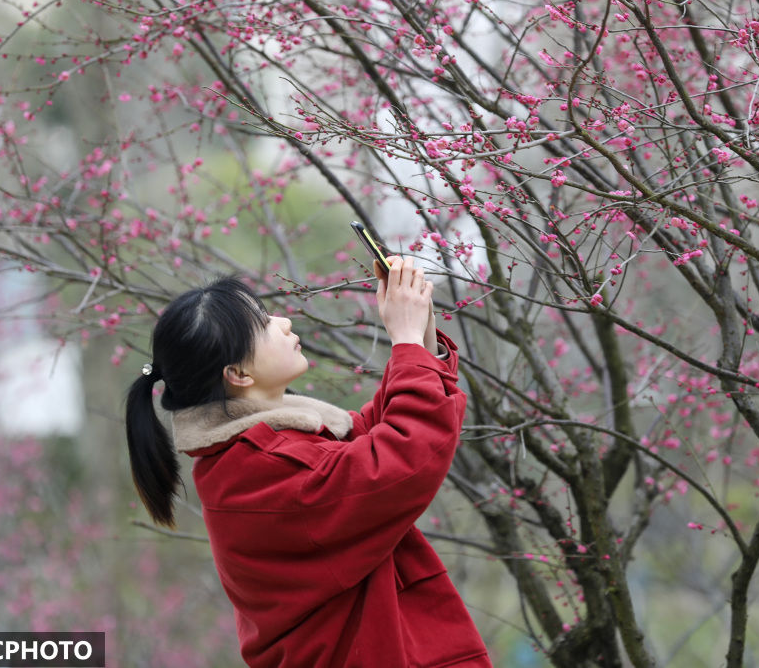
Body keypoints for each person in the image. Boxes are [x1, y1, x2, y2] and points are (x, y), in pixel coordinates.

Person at [125, 257, 493, 668]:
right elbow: (398, 457)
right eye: (263, 323)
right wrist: (405, 344)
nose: (282, 321)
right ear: (238, 374)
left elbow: (368, 439)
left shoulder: (255, 453)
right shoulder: (261, 472)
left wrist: (418, 338)